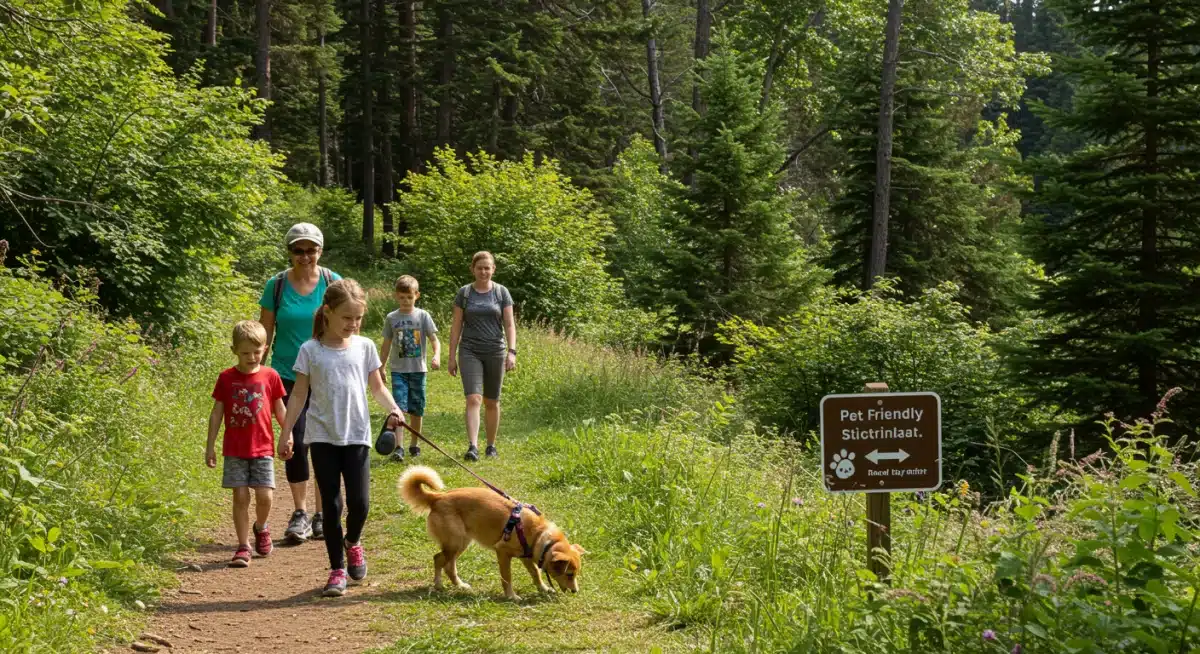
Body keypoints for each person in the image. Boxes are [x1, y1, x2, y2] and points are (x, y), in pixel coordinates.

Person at [279, 278, 405, 597]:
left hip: (357, 435)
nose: (353, 324)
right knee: (332, 506)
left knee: (360, 504)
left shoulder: (365, 347)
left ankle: (353, 542)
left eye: (358, 318)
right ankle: (337, 569)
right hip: (322, 438)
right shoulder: (310, 351)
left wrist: (394, 409)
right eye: (346, 317)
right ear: (328, 313)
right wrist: (286, 433)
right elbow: (298, 396)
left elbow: (377, 387)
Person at [259, 222, 341, 544]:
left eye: (311, 250)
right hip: (286, 375)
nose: (305, 256)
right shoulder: (276, 285)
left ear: (320, 251)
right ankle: (300, 513)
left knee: (323, 442)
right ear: (290, 252)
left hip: (325, 373)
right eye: (298, 250)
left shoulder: (333, 283)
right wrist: (257, 376)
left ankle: (323, 515)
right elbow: (264, 333)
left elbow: (348, 325)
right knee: (295, 441)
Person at [206, 321, 288, 568]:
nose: (251, 357)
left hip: (263, 447)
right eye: (245, 353)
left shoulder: (270, 376)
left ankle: (261, 527)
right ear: (234, 350)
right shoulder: (226, 378)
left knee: (265, 496)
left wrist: (288, 434)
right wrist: (210, 446)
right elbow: (216, 413)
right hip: (235, 449)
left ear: (265, 348)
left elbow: (279, 409)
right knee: (240, 497)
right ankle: (243, 546)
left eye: (256, 351)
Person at [447, 251, 517, 461]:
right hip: (469, 350)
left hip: (496, 350)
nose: (484, 271)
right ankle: (473, 446)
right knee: (473, 398)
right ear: (473, 269)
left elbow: (510, 324)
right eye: (480, 268)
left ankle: (491, 445)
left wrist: (512, 351)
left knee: (492, 401)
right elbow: (456, 325)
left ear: (493, 269)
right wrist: (452, 356)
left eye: (488, 268)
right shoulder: (465, 293)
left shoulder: (501, 293)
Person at [379, 275, 440, 462]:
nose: (406, 301)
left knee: (417, 408)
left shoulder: (423, 316)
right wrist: (380, 367)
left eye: (410, 297)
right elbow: (387, 343)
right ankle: (399, 447)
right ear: (396, 296)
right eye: (402, 297)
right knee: (398, 408)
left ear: (417, 296)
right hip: (398, 370)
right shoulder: (392, 318)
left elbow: (434, 339)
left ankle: (415, 444)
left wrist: (436, 355)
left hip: (418, 369)